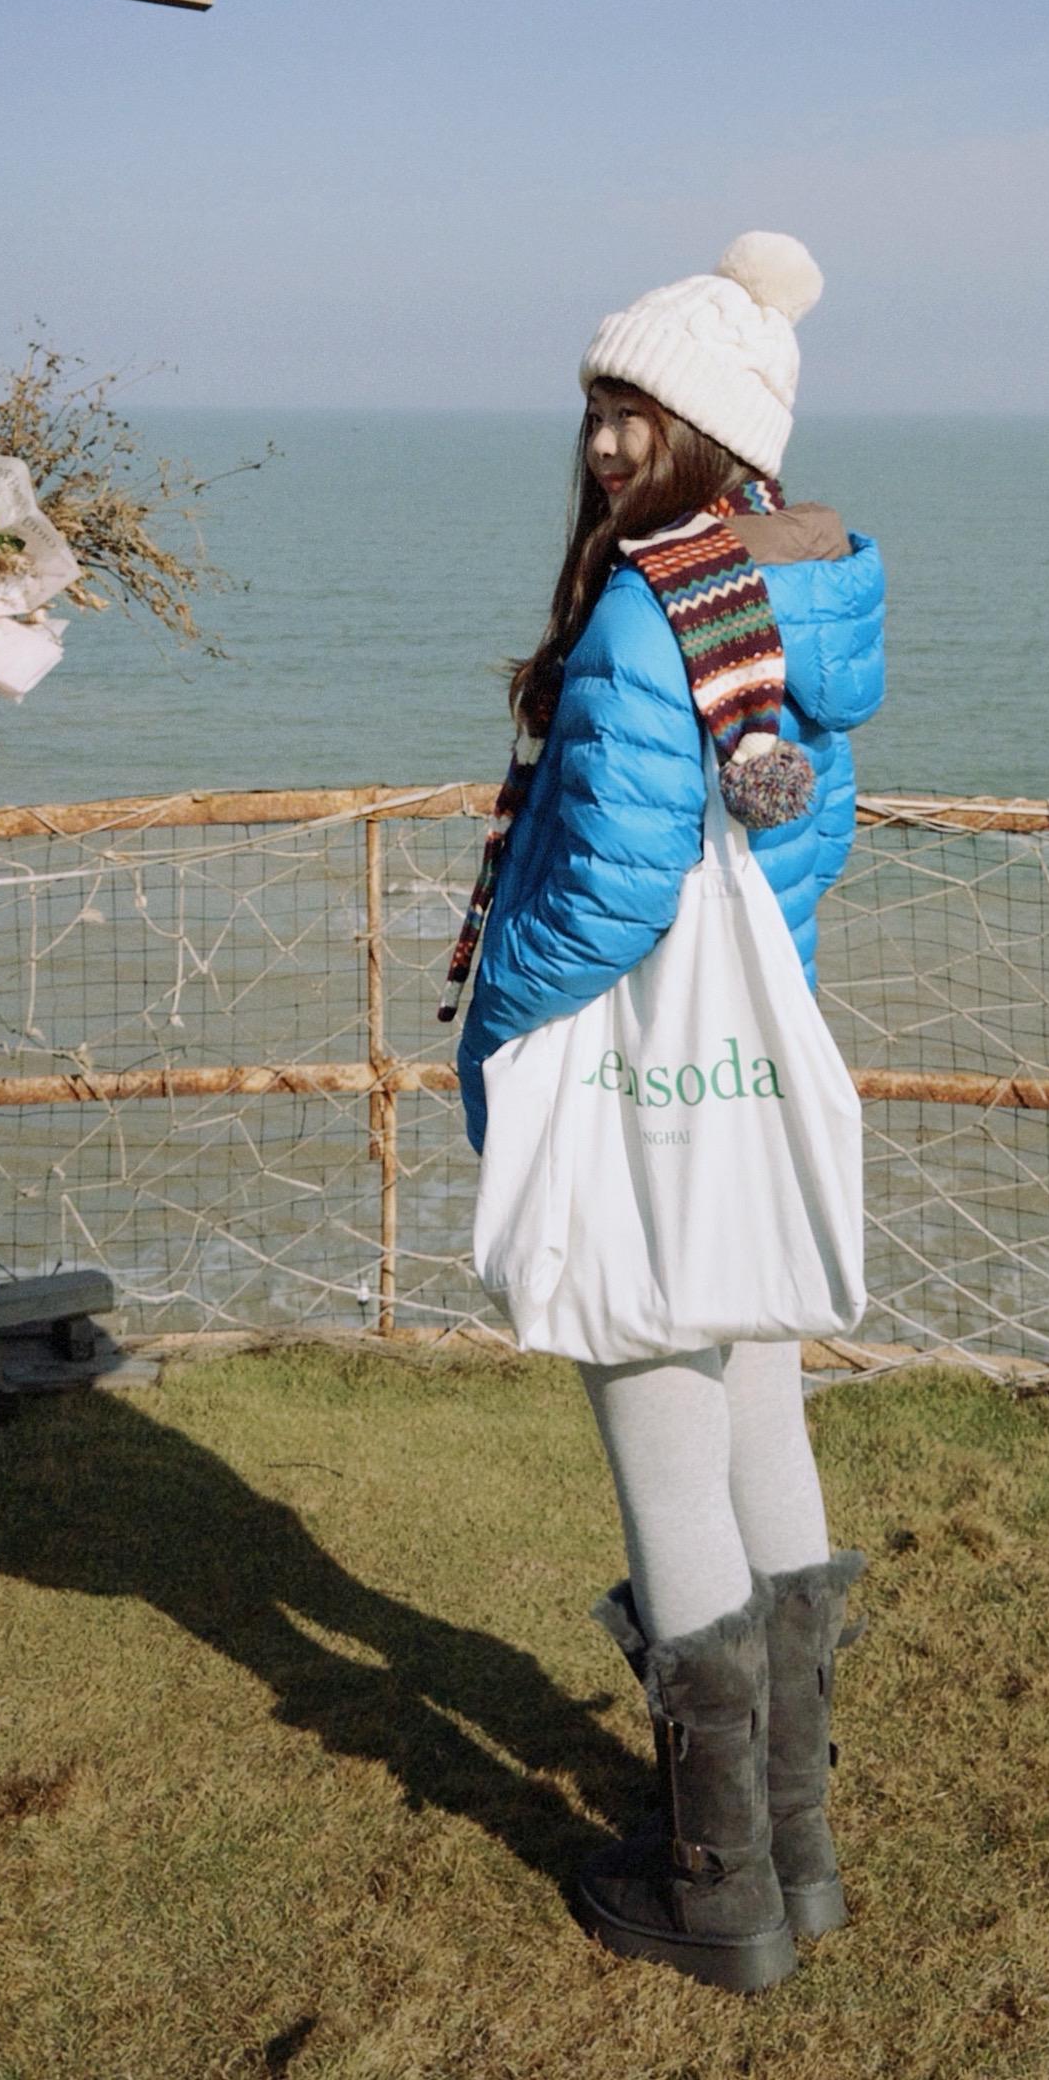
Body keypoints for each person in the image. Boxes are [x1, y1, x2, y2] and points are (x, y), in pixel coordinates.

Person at [444, 231, 886, 1992]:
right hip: (747, 1077)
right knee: (760, 1417)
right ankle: (797, 1853)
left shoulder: (647, 611)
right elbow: (798, 849)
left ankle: (716, 1886)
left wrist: (508, 1023)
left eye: (640, 411)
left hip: (643, 1086)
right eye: (597, 407)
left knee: (665, 1453)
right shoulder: (799, 593)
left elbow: (619, 887)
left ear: (716, 430)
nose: (607, 441)